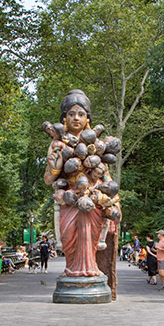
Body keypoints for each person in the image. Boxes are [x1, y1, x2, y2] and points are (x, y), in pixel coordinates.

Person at [43, 90, 120, 278]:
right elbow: (49, 179)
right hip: (68, 197)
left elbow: (105, 176)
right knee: (69, 236)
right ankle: (72, 270)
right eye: (71, 114)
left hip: (93, 197)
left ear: (87, 119)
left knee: (90, 236)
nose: (76, 118)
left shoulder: (97, 144)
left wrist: (113, 198)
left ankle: (91, 269)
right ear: (64, 119)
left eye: (80, 114)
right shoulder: (58, 144)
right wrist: (55, 163)